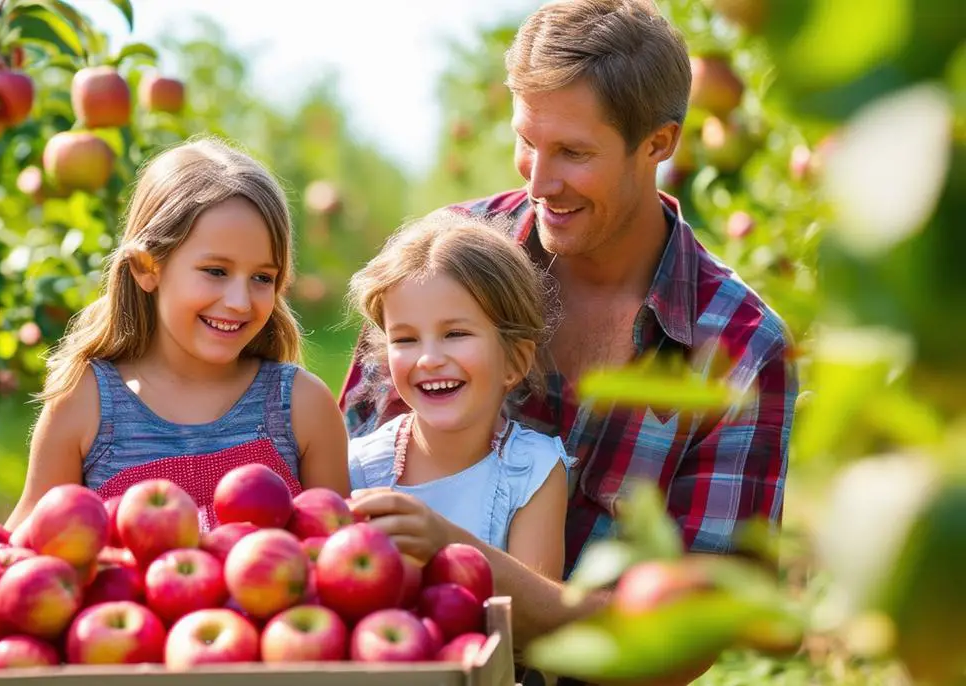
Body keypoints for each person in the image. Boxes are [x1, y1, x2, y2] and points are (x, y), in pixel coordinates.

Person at [341, 0, 798, 667]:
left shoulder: (740, 350)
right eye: (528, 140)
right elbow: (335, 483)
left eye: (573, 153)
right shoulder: (445, 263)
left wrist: (463, 563)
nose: (538, 180)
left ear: (659, 145)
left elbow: (689, 639)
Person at [0, 137, 350, 578]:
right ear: (148, 268)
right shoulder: (86, 404)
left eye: (263, 277)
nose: (241, 301)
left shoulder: (299, 406)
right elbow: (26, 553)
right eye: (216, 272)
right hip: (114, 645)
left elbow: (341, 559)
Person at [345, 210, 574, 578]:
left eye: (455, 334)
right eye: (405, 339)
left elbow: (535, 609)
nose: (430, 359)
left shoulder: (533, 471)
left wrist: (444, 543)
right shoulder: (360, 469)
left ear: (515, 359)